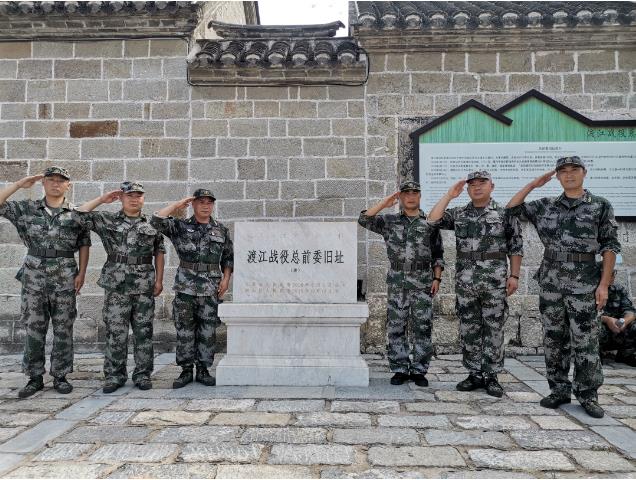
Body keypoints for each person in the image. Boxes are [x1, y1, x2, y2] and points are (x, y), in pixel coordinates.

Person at [507, 156, 621, 418]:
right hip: (552, 284)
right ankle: (558, 389)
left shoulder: (600, 205)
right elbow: (511, 210)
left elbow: (610, 246)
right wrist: (533, 185)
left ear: (584, 173)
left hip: (585, 284)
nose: (569, 175)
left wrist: (604, 285)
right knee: (554, 339)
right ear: (557, 176)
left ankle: (588, 394)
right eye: (563, 171)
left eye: (574, 170)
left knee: (586, 341)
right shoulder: (545, 205)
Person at [428, 171, 523, 397]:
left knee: (494, 328)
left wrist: (515, 276)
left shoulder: (504, 213)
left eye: (482, 183)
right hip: (466, 281)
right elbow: (432, 220)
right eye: (472, 184)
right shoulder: (459, 213)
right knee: (469, 328)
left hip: (494, 281)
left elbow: (516, 246)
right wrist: (449, 195)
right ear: (468, 189)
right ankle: (474, 373)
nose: (477, 187)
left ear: (492, 186)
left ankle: (491, 375)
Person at [0, 167, 90, 398]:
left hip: (65, 277)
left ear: (68, 185)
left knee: (63, 328)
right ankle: (34, 377)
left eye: (61, 180)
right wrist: (18, 184)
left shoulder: (76, 214)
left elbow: (84, 244)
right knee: (34, 328)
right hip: (34, 278)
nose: (56, 184)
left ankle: (60, 375)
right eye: (51, 180)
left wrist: (81, 273)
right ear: (44, 183)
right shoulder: (27, 209)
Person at [75, 182, 165, 393]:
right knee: (116, 332)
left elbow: (159, 252)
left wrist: (159, 280)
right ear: (122, 198)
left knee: (144, 332)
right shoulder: (107, 220)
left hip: (143, 285)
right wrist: (102, 199)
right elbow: (78, 215)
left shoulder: (152, 223)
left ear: (143, 199)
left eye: (138, 195)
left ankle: (142, 375)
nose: (134, 199)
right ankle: (115, 376)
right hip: (117, 286)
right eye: (130, 195)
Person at [358, 180, 444, 387]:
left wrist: (437, 278)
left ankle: (419, 370)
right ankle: (400, 368)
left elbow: (438, 254)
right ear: (401, 197)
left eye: (414, 193)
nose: (411, 197)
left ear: (420, 196)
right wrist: (385, 203)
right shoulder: (390, 221)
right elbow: (363, 219)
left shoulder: (430, 222)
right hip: (398, 283)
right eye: (406, 193)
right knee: (396, 327)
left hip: (423, 282)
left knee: (422, 327)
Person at [151, 189, 233, 388]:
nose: (205, 206)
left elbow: (228, 258)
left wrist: (226, 280)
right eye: (201, 202)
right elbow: (155, 221)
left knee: (208, 330)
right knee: (185, 330)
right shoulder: (180, 226)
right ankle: (186, 370)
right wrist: (177, 205)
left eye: (209, 202)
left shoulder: (221, 230)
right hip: (185, 287)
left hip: (210, 287)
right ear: (194, 204)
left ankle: (203, 370)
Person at [599, 268, 635, 367]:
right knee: (593, 326)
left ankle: (625, 354)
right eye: (610, 274)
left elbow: (630, 310)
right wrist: (607, 320)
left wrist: (624, 321)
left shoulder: (618, 289)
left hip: (618, 330)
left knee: (634, 325)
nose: (613, 276)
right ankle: (595, 356)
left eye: (614, 273)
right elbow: (585, 316)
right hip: (601, 331)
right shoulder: (590, 290)